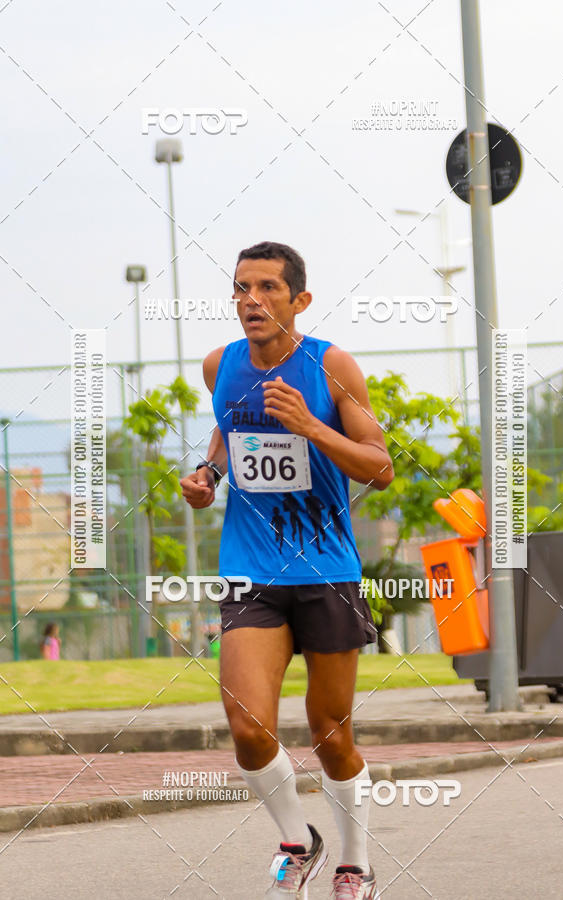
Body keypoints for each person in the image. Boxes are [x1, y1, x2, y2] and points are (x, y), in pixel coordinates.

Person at [181, 241, 393, 899]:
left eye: (268, 288)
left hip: (326, 566)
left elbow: (379, 468)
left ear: (299, 300)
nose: (252, 300)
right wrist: (209, 474)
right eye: (242, 287)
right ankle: (298, 841)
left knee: (331, 733)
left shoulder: (331, 368)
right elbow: (230, 428)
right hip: (251, 567)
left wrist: (310, 426)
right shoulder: (221, 365)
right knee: (247, 724)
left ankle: (355, 862)